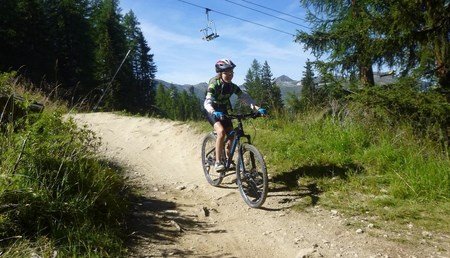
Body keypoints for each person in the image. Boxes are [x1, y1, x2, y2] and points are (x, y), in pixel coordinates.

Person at [204, 59, 267, 172]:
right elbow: (207, 101)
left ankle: (228, 160)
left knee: (232, 136)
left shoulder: (232, 87)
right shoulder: (214, 84)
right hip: (211, 110)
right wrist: (213, 111)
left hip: (223, 110)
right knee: (221, 132)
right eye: (226, 73)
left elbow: (244, 97)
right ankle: (218, 162)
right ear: (220, 73)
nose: (229, 75)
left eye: (231, 73)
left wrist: (257, 109)